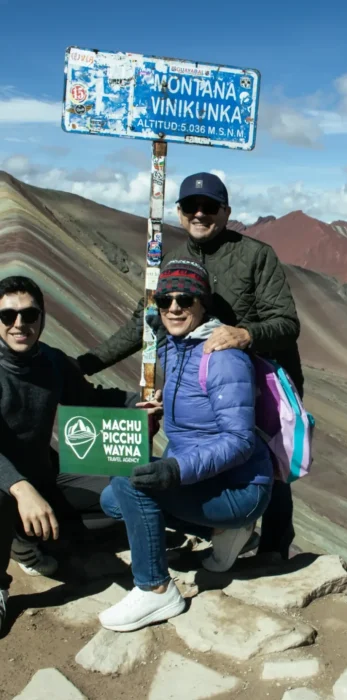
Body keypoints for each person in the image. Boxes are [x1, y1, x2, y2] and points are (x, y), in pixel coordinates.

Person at [77, 172, 303, 560]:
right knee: (197, 457)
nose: (200, 214)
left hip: (261, 384)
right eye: (190, 207)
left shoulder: (255, 255)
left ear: (226, 211)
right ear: (179, 212)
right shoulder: (173, 259)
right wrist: (84, 364)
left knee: (271, 468)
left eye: (210, 207)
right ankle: (225, 529)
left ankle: (273, 551)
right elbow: (142, 323)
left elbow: (287, 323)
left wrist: (245, 334)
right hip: (201, 384)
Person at [98, 260, 274, 632]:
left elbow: (240, 441)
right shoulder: (173, 348)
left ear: (202, 304)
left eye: (185, 299)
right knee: (113, 500)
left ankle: (156, 588)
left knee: (132, 488)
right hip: (204, 478)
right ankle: (225, 533)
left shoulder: (223, 357)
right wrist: (157, 411)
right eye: (165, 301)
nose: (174, 308)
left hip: (240, 486)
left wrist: (174, 470)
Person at [0, 276, 152, 633]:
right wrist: (20, 489)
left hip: (44, 476)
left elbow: (92, 399)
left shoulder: (51, 362)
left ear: (42, 317)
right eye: (7, 316)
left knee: (126, 492)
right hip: (7, 484)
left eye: (29, 314)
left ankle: (26, 537)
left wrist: (139, 405)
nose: (19, 324)